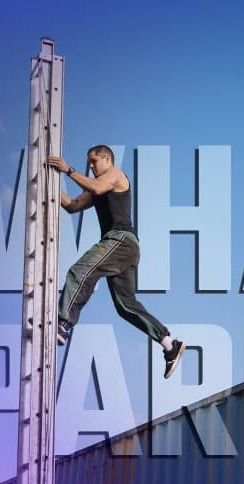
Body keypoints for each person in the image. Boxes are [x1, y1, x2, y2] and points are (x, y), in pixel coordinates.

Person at [47, 146, 186, 379]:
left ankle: (63, 323)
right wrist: (49, 182)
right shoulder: (96, 187)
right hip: (125, 249)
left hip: (120, 239)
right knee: (125, 306)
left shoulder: (114, 175)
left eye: (94, 161)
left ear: (107, 159)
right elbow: (72, 206)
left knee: (80, 271)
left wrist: (68, 170)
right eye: (88, 163)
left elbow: (98, 186)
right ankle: (170, 344)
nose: (91, 167)